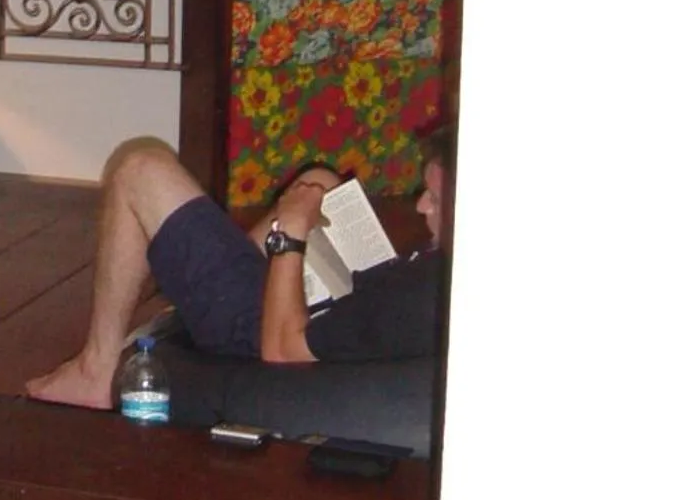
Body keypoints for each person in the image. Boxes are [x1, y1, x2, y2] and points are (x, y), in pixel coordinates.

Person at [26, 128, 450, 409]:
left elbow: (281, 350)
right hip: (351, 310)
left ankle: (96, 371)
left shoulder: (418, 299)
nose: (420, 205)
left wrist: (292, 232)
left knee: (139, 168)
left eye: (434, 198)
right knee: (319, 181)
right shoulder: (451, 269)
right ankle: (202, 290)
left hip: (268, 334)